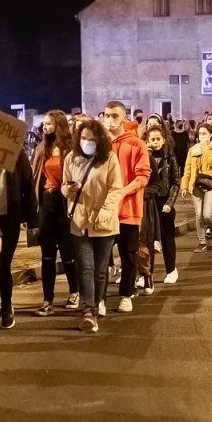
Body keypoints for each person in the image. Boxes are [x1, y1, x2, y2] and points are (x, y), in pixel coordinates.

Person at [64, 119, 123, 334]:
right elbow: (64, 185)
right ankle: (88, 312)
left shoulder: (109, 159)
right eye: (83, 138)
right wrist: (69, 190)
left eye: (91, 139)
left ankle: (97, 305)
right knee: (86, 268)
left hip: (104, 222)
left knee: (100, 270)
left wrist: (106, 211)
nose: (87, 142)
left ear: (99, 140)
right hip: (80, 221)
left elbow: (116, 188)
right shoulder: (71, 158)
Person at [101, 101, 151, 313]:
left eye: (114, 115)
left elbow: (143, 175)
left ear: (124, 118)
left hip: (129, 209)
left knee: (129, 255)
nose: (110, 119)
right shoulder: (100, 144)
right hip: (104, 210)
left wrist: (123, 191)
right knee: (102, 257)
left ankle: (126, 294)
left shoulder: (136, 144)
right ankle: (99, 299)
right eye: (107, 115)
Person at [0, 148, 36, 330]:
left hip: (9, 217)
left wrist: (32, 219)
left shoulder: (16, 153)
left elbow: (28, 184)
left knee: (1, 265)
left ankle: (6, 308)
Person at [33, 110, 79, 316]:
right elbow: (35, 178)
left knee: (68, 253)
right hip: (47, 201)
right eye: (44, 124)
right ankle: (47, 299)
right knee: (47, 255)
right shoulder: (42, 148)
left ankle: (74, 291)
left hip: (65, 203)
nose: (45, 127)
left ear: (58, 125)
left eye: (49, 124)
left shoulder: (70, 149)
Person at [141, 124, 180, 287]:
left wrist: (170, 203)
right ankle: (145, 273)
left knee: (167, 238)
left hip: (164, 202)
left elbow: (175, 182)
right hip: (148, 202)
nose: (155, 142)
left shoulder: (170, 158)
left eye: (158, 139)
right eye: (152, 139)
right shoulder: (144, 156)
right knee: (147, 240)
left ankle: (171, 270)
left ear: (164, 140)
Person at [181, 121, 212, 250]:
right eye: (200, 134)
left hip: (211, 184)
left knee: (207, 214)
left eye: (205, 134)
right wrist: (184, 186)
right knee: (198, 214)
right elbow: (187, 168)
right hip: (196, 184)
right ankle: (202, 242)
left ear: (211, 134)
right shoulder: (192, 150)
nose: (202, 136)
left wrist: (205, 148)